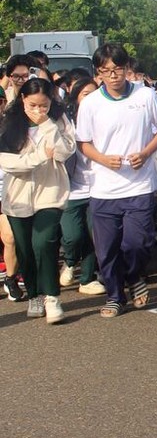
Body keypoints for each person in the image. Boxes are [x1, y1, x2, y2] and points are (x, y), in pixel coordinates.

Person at [76, 43, 157, 318]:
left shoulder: (146, 95)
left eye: (118, 69)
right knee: (106, 250)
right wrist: (103, 159)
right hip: (104, 187)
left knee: (138, 242)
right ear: (98, 73)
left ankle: (134, 275)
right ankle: (115, 296)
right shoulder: (90, 103)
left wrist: (146, 153)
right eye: (106, 71)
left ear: (127, 68)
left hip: (139, 184)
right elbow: (84, 142)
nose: (113, 75)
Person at [0, 78, 75, 323]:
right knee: (24, 248)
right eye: (33, 105)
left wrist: (46, 124)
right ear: (22, 99)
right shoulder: (9, 122)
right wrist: (39, 157)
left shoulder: (59, 120)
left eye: (43, 105)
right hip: (18, 196)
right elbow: (7, 162)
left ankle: (52, 297)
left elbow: (64, 153)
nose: (38, 110)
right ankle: (34, 293)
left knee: (44, 242)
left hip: (50, 192)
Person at [59, 78, 104, 295]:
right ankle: (69, 261)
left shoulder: (106, 119)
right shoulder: (66, 122)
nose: (91, 99)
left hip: (98, 188)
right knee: (73, 236)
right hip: (71, 189)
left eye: (95, 93)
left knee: (94, 235)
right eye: (86, 94)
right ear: (76, 97)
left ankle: (87, 279)